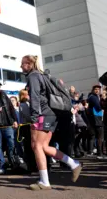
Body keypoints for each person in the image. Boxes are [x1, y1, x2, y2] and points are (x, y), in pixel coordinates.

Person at [21, 55, 82, 190]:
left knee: (36, 146)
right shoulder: (42, 75)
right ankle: (73, 164)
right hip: (51, 114)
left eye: (23, 64)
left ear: (29, 64)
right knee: (43, 146)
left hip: (42, 114)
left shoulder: (33, 76)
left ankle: (45, 181)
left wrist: (34, 117)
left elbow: (35, 98)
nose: (21, 67)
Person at [87, 85, 106, 159]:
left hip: (96, 118)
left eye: (98, 89)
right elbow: (98, 107)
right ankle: (99, 154)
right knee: (99, 137)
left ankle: (98, 153)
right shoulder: (93, 97)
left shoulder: (95, 97)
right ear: (93, 90)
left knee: (97, 137)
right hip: (96, 119)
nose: (97, 90)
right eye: (95, 89)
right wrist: (104, 103)